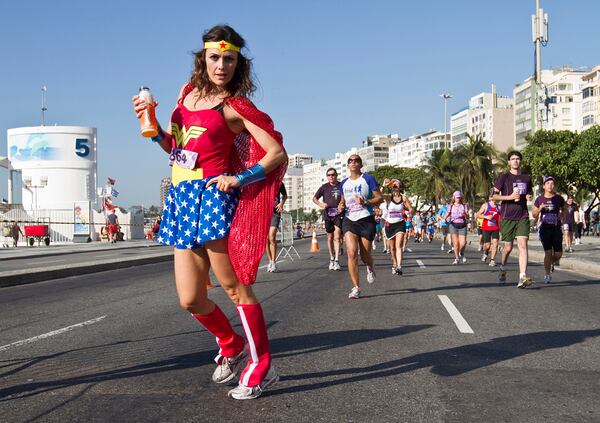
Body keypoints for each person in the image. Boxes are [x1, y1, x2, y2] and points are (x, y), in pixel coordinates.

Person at [132, 25, 287, 400]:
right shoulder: (185, 95)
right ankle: (231, 344)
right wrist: (151, 130)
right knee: (190, 298)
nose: (221, 65)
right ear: (203, 58)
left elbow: (276, 153)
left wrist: (240, 177)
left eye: (229, 59)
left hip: (214, 200)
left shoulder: (234, 106)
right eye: (215, 57)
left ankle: (262, 365)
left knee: (234, 287)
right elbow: (177, 149)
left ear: (238, 63)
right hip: (181, 200)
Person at [338, 154, 383, 299]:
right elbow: (342, 200)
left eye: (356, 160)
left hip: (366, 219)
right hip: (349, 219)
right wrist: (341, 205)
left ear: (360, 164)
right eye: (350, 161)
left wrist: (366, 202)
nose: (353, 162)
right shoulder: (343, 183)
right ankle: (356, 287)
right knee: (351, 252)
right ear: (348, 165)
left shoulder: (368, 178)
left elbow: (379, 198)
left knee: (365, 256)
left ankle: (370, 266)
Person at [492, 150, 533, 288]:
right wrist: (509, 197)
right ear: (509, 162)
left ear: (521, 161)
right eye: (513, 159)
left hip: (522, 215)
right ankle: (503, 267)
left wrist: (529, 196)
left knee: (523, 244)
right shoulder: (503, 178)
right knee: (508, 247)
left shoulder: (527, 178)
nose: (516, 161)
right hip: (507, 216)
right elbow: (494, 196)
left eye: (518, 158)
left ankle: (522, 276)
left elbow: (529, 192)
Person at [532, 176, 566, 283]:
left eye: (552, 183)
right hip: (545, 228)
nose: (550, 185)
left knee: (558, 254)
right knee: (548, 252)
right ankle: (547, 274)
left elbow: (564, 208)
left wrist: (562, 216)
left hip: (556, 228)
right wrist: (540, 209)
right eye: (547, 183)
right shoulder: (539, 199)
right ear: (544, 186)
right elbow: (534, 214)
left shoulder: (558, 198)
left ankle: (550, 262)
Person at [313, 168, 343, 270]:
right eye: (329, 175)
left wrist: (342, 204)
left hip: (339, 214)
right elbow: (314, 198)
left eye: (333, 175)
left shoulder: (341, 185)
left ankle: (337, 260)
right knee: (330, 238)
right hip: (328, 214)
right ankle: (331, 258)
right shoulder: (324, 187)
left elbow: (346, 196)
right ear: (327, 177)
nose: (331, 177)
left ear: (336, 175)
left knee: (337, 236)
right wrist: (321, 204)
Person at [382, 179, 413, 275]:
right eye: (393, 184)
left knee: (398, 245)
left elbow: (411, 208)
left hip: (400, 223)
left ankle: (399, 266)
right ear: (391, 186)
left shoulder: (403, 198)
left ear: (400, 187)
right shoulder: (388, 197)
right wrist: (383, 185)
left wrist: (410, 213)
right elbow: (378, 195)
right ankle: (394, 263)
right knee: (392, 248)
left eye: (397, 184)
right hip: (389, 224)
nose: (395, 185)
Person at [266, 183, 287, 272]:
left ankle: (274, 262)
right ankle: (270, 261)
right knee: (266, 239)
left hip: (275, 212)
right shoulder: (262, 179)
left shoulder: (279, 182)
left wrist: (281, 204)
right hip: (264, 212)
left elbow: (285, 195)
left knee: (271, 236)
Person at [476, 191, 501, 266]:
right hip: (486, 228)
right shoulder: (485, 205)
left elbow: (501, 217)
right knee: (487, 245)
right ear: (490, 198)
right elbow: (478, 214)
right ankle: (486, 252)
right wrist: (486, 217)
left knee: (495, 243)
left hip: (495, 228)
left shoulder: (499, 207)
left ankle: (492, 260)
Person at [445, 191, 469, 265]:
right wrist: (445, 218)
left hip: (462, 225)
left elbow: (467, 217)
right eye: (457, 197)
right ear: (454, 197)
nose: (458, 199)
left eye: (459, 197)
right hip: (453, 225)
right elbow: (447, 214)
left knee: (463, 243)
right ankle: (457, 258)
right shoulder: (451, 206)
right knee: (455, 244)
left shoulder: (464, 205)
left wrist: (464, 213)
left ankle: (461, 252)